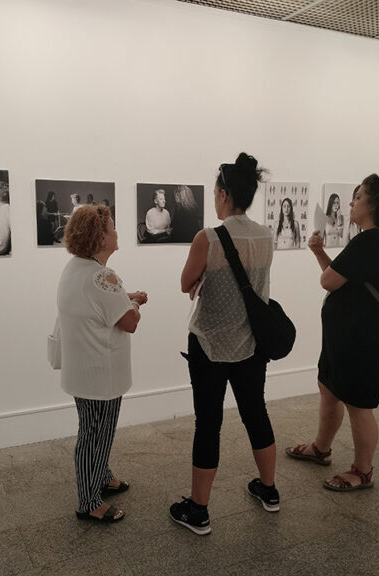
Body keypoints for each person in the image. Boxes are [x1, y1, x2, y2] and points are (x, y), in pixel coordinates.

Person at [170, 153, 278, 536]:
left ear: (222, 194)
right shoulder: (266, 236)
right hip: (251, 345)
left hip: (210, 345)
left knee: (208, 424)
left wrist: (203, 281)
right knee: (256, 413)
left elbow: (186, 283)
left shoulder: (208, 238)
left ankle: (199, 510)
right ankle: (269, 490)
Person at [285, 172, 379, 492]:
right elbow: (341, 277)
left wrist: (320, 258)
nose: (352, 203)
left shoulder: (371, 240)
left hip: (363, 340)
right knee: (329, 388)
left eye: (359, 197)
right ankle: (320, 448)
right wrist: (318, 252)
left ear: (374, 204)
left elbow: (328, 281)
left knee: (358, 403)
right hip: (348, 337)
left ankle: (363, 471)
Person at [57, 205, 148, 523]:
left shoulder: (76, 268)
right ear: (100, 237)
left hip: (82, 370)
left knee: (93, 430)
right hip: (100, 375)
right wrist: (134, 301)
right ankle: (88, 501)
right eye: (112, 228)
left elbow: (99, 303)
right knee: (96, 435)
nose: (117, 232)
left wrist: (125, 296)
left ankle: (102, 476)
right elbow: (129, 322)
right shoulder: (103, 276)